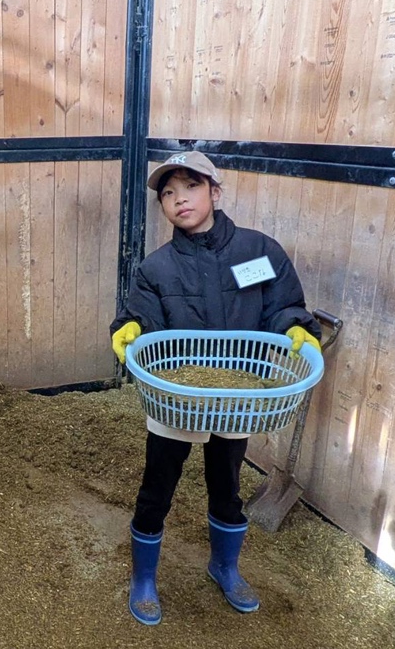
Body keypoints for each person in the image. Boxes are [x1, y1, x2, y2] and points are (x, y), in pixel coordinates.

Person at [110, 151, 321, 624]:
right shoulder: (156, 269)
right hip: (177, 396)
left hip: (237, 395)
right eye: (168, 193)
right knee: (157, 487)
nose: (179, 199)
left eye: (191, 186)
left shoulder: (259, 251)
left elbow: (283, 305)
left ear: (215, 192)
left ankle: (225, 566)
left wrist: (295, 326)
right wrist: (130, 329)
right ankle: (144, 578)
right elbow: (142, 316)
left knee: (227, 485)